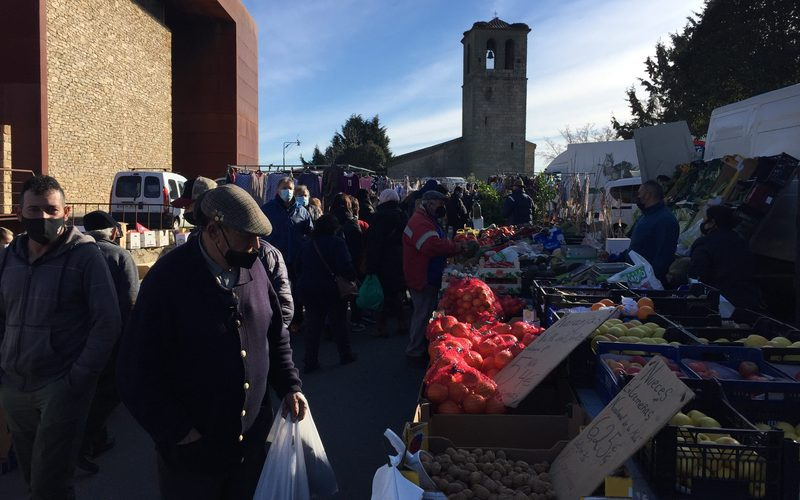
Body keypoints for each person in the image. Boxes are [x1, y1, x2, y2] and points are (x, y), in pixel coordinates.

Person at [118, 184, 306, 500]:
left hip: (250, 447)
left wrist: (289, 385)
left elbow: (275, 334)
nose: (257, 246)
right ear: (214, 229)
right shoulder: (169, 279)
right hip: (193, 458)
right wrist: (178, 431)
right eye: (247, 236)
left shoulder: (254, 267)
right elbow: (133, 371)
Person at [0, 175, 121, 499]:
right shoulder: (8, 258)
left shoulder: (85, 257)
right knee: (32, 477)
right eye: (34, 209)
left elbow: (107, 322)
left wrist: (76, 380)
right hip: (14, 386)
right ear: (20, 211)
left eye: (51, 210)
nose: (42, 218)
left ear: (66, 213)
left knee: (48, 485)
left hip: (59, 386)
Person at [78, 211, 140, 474]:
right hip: (112, 334)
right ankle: (83, 442)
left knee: (87, 388)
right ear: (114, 232)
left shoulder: (74, 253)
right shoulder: (118, 255)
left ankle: (96, 438)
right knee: (110, 389)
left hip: (78, 335)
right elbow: (130, 300)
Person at [403, 191, 464, 365]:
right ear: (428, 203)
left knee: (425, 311)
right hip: (421, 274)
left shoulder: (427, 219)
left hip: (427, 272)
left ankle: (420, 346)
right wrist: (455, 247)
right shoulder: (420, 222)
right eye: (439, 204)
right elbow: (431, 246)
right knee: (422, 313)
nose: (442, 208)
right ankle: (414, 351)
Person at [296, 214, 357, 373]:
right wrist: (352, 277)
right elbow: (345, 266)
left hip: (309, 288)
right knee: (339, 323)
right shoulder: (337, 243)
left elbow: (298, 266)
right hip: (331, 288)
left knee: (313, 326)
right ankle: (345, 354)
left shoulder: (307, 244)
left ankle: (310, 361)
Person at [262, 176, 313, 333]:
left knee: (297, 293)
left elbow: (310, 231)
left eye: (290, 188)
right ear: (277, 190)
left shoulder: (302, 211)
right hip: (275, 259)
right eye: (284, 188)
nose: (288, 192)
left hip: (297, 259)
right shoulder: (268, 209)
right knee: (276, 292)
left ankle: (296, 320)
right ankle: (276, 322)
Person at [688, 205, 760, 310]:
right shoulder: (741, 241)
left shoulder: (705, 243)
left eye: (704, 219)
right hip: (745, 300)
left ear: (712, 223)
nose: (703, 223)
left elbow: (696, 275)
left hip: (718, 301)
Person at [367, 189, 409, 337]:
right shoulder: (402, 215)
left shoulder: (378, 217)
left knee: (381, 296)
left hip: (382, 260)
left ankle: (381, 327)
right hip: (400, 258)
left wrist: (370, 265)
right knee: (398, 293)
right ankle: (402, 323)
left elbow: (373, 243)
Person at [629, 180, 680, 285]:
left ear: (648, 195)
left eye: (639, 193)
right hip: (636, 278)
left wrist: (652, 280)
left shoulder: (665, 220)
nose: (637, 196)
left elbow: (664, 255)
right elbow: (637, 246)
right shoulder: (645, 216)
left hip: (649, 283)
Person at [329, 194, 366, 331]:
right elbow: (358, 244)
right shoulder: (351, 221)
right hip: (351, 261)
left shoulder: (329, 219)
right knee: (352, 292)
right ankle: (355, 320)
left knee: (335, 297)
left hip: (331, 263)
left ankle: (334, 323)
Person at [258, 237, 294, 328]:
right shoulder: (268, 252)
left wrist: (280, 331)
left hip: (264, 326)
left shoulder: (267, 252)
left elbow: (282, 297)